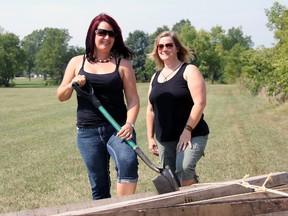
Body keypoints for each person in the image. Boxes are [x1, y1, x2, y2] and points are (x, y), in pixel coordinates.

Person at [57, 13, 140, 200]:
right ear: (92, 34)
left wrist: (129, 124)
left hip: (118, 128)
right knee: (99, 185)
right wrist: (72, 84)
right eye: (102, 32)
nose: (107, 38)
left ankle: (123, 209)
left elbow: (133, 100)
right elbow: (61, 95)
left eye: (111, 34)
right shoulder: (77, 62)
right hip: (87, 132)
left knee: (128, 161)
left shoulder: (123, 65)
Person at [146, 31, 209, 187]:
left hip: (191, 133)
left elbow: (199, 103)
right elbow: (150, 109)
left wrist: (187, 130)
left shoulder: (189, 70)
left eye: (169, 45)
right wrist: (150, 137)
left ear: (177, 48)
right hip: (165, 138)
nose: (164, 49)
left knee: (184, 168)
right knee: (172, 179)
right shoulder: (155, 77)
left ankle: (195, 203)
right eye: (160, 46)